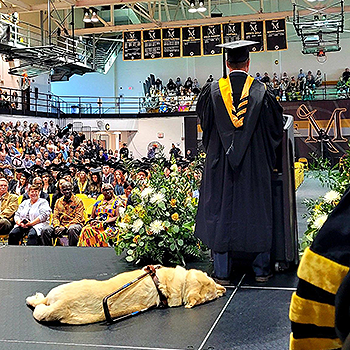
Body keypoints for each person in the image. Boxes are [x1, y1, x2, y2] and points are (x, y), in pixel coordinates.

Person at [195, 40, 284, 284]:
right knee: (256, 212)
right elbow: (275, 131)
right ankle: (261, 269)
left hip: (220, 165)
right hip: (253, 166)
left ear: (227, 63)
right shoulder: (263, 93)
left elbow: (206, 127)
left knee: (221, 211)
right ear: (248, 64)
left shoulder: (211, 92)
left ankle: (222, 272)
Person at [41, 181, 85, 246]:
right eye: (65, 190)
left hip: (74, 224)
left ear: (72, 189)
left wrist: (65, 227)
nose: (67, 191)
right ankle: (49, 251)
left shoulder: (78, 201)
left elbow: (78, 218)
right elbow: (55, 217)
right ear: (61, 191)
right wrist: (56, 226)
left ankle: (73, 251)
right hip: (60, 225)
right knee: (45, 230)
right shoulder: (58, 201)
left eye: (68, 189)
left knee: (72, 229)